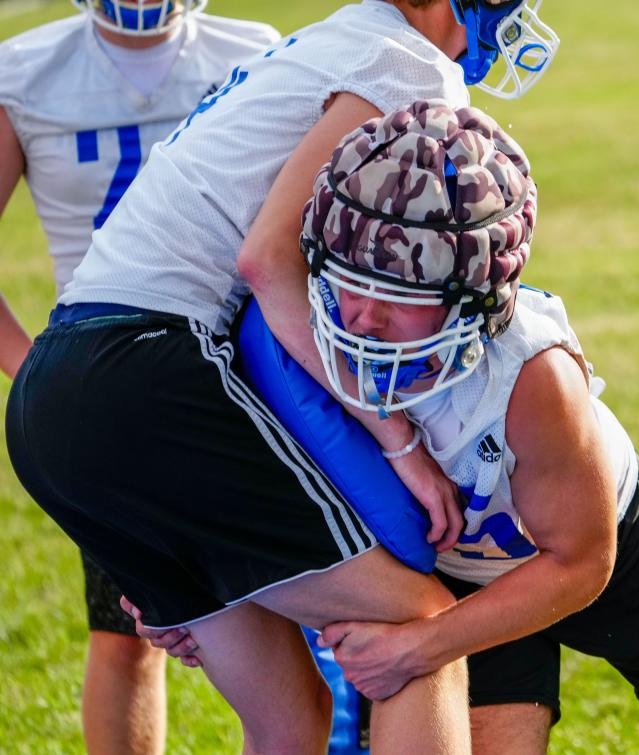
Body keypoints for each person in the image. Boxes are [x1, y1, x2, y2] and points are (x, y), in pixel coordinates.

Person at [145, 100, 639, 753]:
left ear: (473, 298)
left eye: (397, 294)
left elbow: (581, 562)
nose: (359, 317)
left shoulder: (530, 375)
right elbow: (231, 493)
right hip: (454, 578)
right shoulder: (298, 337)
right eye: (348, 280)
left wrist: (421, 645)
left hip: (598, 551)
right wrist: (174, 583)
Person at [5, 1, 561, 751]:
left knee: (291, 719)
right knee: (419, 625)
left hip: (57, 389)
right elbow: (267, 262)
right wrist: (399, 441)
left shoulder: (331, 37)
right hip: (146, 371)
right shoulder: (408, 61)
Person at [0, 0, 279, 751]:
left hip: (252, 376)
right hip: (115, 388)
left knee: (314, 618)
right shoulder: (26, 70)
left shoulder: (252, 50)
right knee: (126, 630)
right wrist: (37, 365)